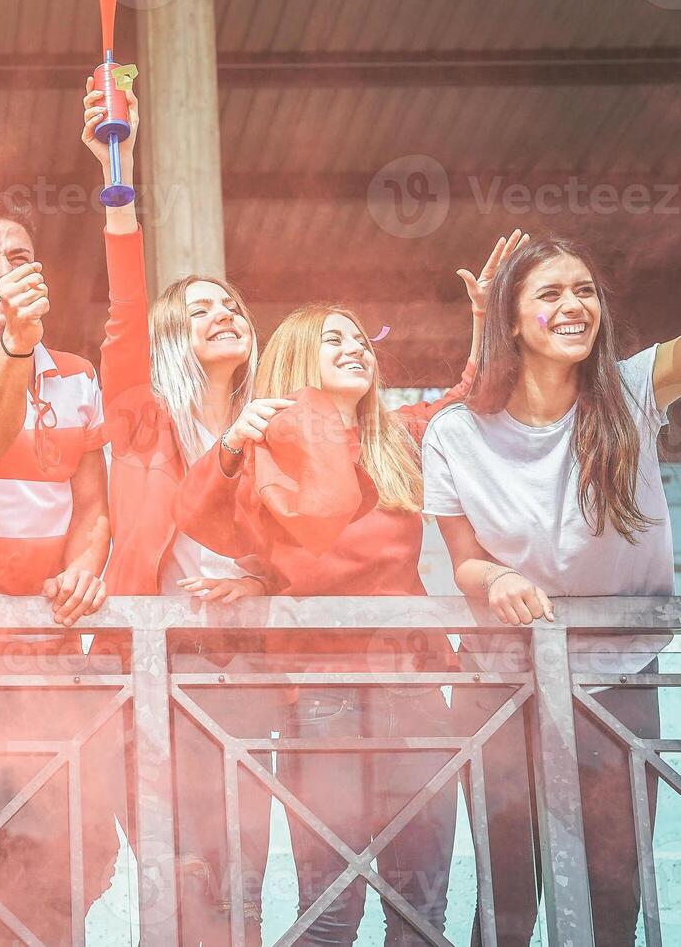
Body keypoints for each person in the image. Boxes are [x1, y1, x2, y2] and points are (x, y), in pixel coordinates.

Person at [175, 229, 515, 944]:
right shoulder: (263, 448)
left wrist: (488, 318)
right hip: (320, 694)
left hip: (418, 687)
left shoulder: (399, 433)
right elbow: (197, 515)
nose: (358, 347)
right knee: (331, 910)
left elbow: (474, 393)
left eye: (362, 338)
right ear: (298, 358)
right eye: (335, 340)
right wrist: (235, 443)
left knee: (419, 913)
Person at [423, 236, 681, 945]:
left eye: (586, 290)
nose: (574, 306)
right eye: (550, 293)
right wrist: (499, 577)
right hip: (503, 687)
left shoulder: (628, 392)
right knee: (507, 902)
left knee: (614, 894)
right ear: (509, 319)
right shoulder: (454, 431)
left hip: (618, 682)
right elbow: (464, 562)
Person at [82, 78, 278, 943]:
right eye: (199, 309)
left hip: (245, 669)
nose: (224, 313)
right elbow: (126, 310)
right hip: (151, 666)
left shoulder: (278, 423)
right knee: (180, 872)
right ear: (171, 335)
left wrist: (264, 576)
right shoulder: (138, 414)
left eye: (231, 304)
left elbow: (308, 534)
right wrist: (114, 181)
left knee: (244, 881)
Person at [0, 190, 117, 944]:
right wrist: (16, 345)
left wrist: (83, 567)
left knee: (83, 848)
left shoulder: (76, 373)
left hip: (55, 651)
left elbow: (95, 507)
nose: (2, 272)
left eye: (16, 258)